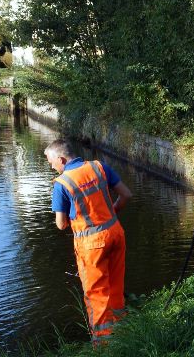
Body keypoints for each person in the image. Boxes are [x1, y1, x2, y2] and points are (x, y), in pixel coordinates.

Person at [44, 139, 132, 345]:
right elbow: (126, 195)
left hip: (92, 245)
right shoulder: (99, 167)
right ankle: (124, 332)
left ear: (61, 159)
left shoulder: (62, 183)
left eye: (51, 162)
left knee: (96, 294)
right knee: (116, 286)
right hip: (115, 233)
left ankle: (102, 344)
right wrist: (111, 214)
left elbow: (61, 224)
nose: (51, 166)